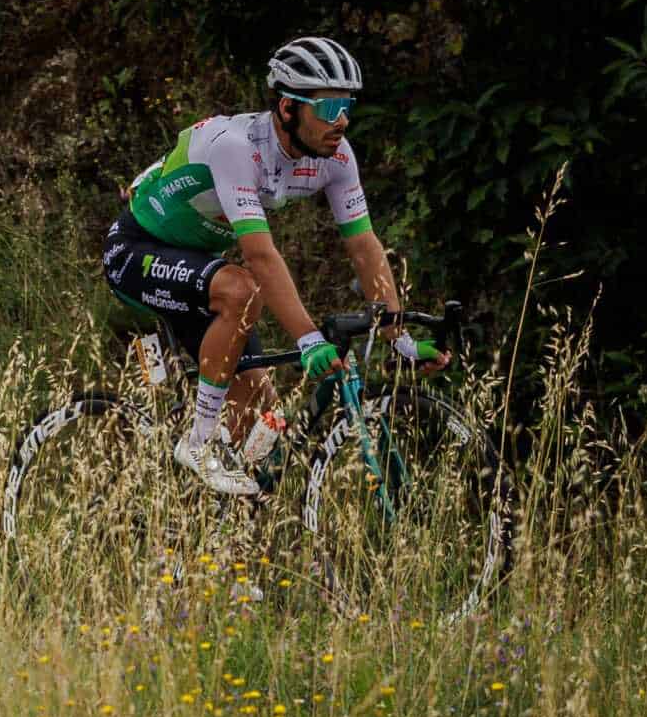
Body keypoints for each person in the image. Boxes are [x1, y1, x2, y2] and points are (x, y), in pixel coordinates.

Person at [102, 35, 442, 497]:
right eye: (329, 108)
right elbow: (260, 256)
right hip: (136, 248)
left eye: (347, 106)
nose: (342, 120)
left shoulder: (337, 157)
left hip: (198, 261)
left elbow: (364, 246)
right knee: (242, 291)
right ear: (287, 108)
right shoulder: (236, 146)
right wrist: (308, 339)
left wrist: (398, 337)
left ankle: (205, 517)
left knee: (261, 412)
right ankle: (198, 443)